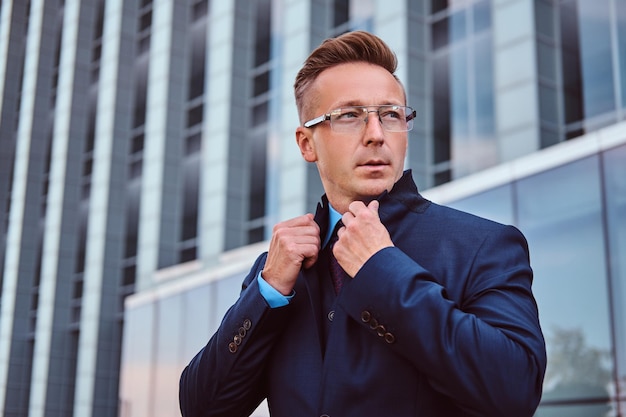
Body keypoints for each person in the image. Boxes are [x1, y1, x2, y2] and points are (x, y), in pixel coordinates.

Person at [179, 30, 546, 417]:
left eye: (391, 115)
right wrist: (267, 292)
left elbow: (515, 391)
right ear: (306, 144)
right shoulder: (277, 272)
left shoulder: (482, 245)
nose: (376, 135)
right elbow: (202, 408)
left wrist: (383, 272)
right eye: (349, 116)